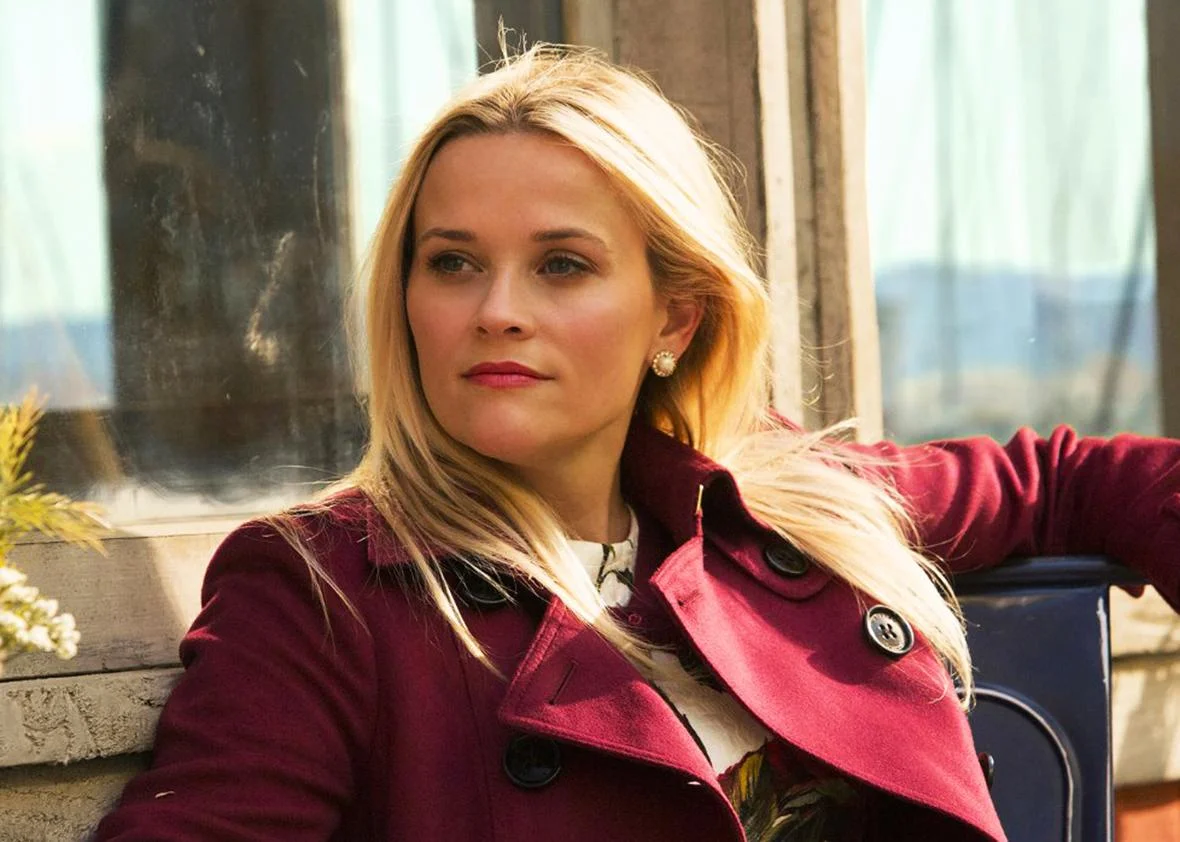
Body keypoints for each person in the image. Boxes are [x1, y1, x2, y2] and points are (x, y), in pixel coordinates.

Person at [94, 44, 1180, 842]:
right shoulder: (323, 590)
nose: (496, 311)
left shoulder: (768, 508)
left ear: (675, 318)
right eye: (454, 262)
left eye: (561, 265)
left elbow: (1075, 481)